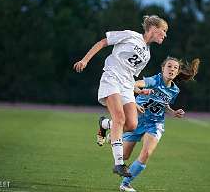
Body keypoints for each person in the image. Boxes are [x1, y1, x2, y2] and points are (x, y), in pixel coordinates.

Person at [73, 15, 168, 177]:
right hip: (111, 77)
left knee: (131, 124)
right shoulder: (131, 35)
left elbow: (129, 75)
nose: (165, 35)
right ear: (153, 28)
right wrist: (85, 60)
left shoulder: (148, 54)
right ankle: (119, 163)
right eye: (164, 30)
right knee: (119, 119)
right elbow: (103, 42)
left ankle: (104, 124)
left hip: (125, 86)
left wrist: (138, 91)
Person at [98, 56, 200, 192]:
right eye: (169, 66)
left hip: (155, 123)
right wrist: (134, 103)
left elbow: (164, 105)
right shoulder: (154, 80)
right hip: (138, 120)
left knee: (146, 153)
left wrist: (173, 112)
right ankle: (106, 126)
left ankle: (125, 184)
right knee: (124, 156)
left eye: (175, 68)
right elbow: (134, 85)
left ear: (177, 73)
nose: (172, 69)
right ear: (163, 68)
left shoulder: (175, 90)